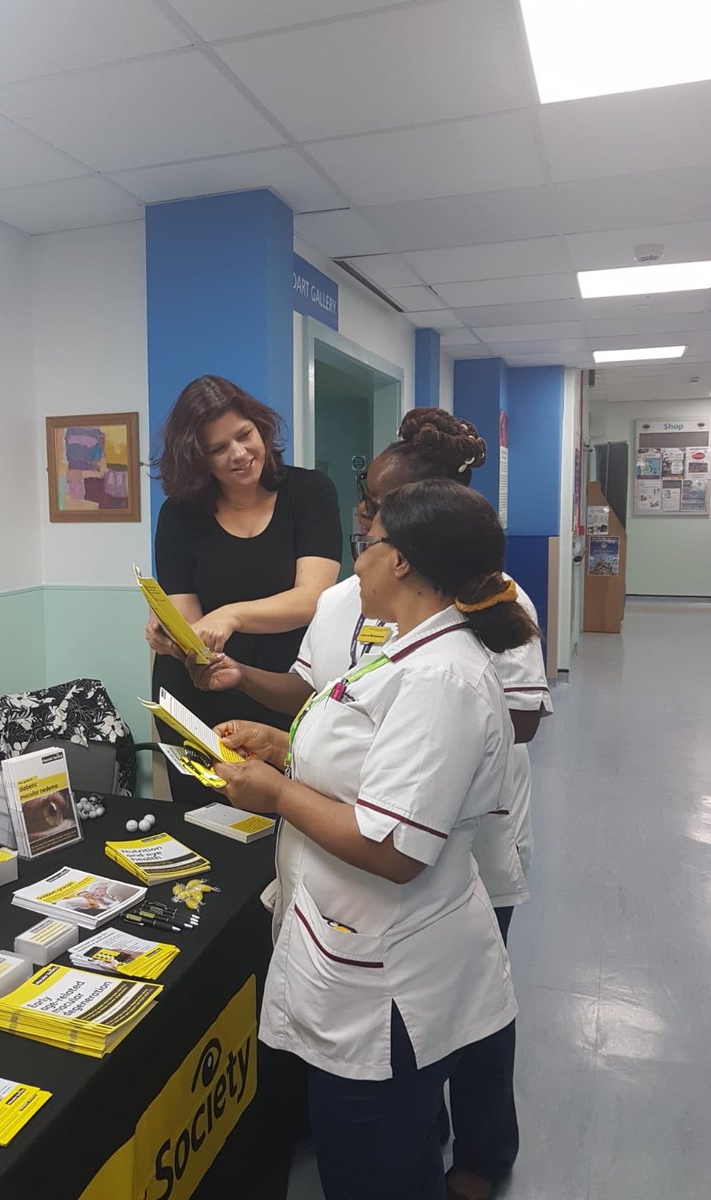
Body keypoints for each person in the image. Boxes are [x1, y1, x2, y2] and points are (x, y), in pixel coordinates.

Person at [188, 408, 552, 1198]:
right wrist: (283, 746)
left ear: (405, 561)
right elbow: (358, 746)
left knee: (375, 1164)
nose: (356, 554)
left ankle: (477, 1157)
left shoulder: (440, 676)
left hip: (392, 963)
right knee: (385, 1145)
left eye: (369, 539)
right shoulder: (398, 650)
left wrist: (277, 792)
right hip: (357, 941)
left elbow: (394, 850)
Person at [147, 375, 341, 801]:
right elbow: (191, 627)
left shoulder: (309, 493)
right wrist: (171, 637)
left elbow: (312, 598)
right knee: (203, 819)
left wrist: (230, 615)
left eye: (244, 435)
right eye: (218, 449)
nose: (239, 454)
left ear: (262, 429)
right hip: (200, 691)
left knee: (291, 812)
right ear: (198, 459)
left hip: (283, 688)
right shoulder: (179, 514)